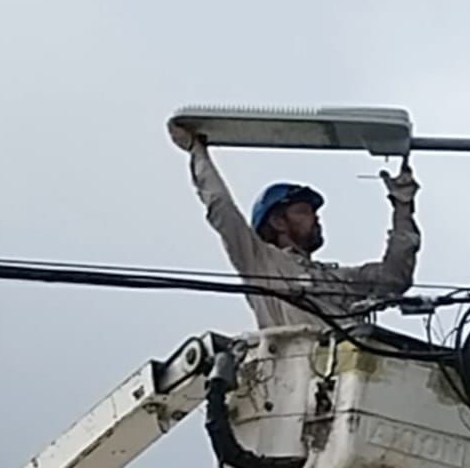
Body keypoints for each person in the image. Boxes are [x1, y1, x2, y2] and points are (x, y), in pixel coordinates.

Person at [169, 120, 420, 329]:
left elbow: (394, 278)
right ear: (278, 222)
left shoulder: (336, 278)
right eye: (303, 211)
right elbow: (222, 208)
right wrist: (197, 151)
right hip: (294, 378)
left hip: (342, 378)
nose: (316, 218)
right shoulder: (263, 263)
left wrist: (403, 207)